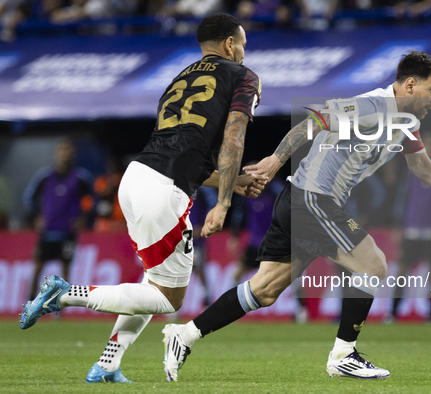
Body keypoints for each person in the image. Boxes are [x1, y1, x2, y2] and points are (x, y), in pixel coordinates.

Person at [161, 51, 431, 381]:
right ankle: (344, 354)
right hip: (313, 199)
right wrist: (275, 160)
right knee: (374, 264)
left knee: (263, 291)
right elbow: (314, 122)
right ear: (410, 85)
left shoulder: (408, 123)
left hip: (301, 201)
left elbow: (419, 164)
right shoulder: (372, 107)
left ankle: (185, 334)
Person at [19, 13, 266, 384]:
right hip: (163, 192)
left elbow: (185, 156)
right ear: (231, 44)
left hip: (137, 178)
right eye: (242, 44)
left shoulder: (179, 78)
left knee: (152, 285)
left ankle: (107, 364)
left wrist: (233, 181)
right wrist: (226, 202)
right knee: (170, 299)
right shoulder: (242, 76)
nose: (244, 52)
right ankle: (65, 294)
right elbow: (234, 138)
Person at [384, 131, 431, 324]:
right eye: (427, 144)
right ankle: (392, 312)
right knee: (402, 271)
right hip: (411, 229)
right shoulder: (412, 168)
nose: (430, 147)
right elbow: (403, 197)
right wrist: (398, 224)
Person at [23, 139, 94, 301]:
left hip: (67, 232)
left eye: (68, 150)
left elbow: (91, 200)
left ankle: (61, 308)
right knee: (37, 268)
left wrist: (83, 218)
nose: (65, 154)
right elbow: (29, 198)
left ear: (73, 154)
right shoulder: (46, 177)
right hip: (47, 231)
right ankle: (29, 302)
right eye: (62, 150)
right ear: (57, 154)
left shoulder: (81, 178)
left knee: (66, 271)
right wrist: (36, 217)